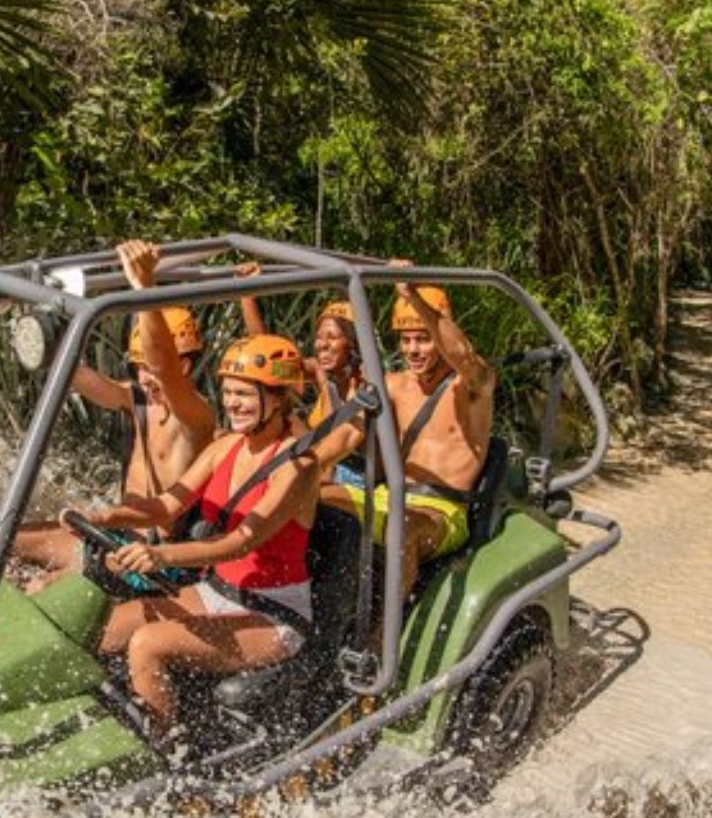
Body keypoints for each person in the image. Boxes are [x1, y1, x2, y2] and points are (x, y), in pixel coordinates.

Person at [76, 334, 320, 737]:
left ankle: (161, 754)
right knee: (102, 628)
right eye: (227, 393)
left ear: (277, 398)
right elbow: (167, 506)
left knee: (146, 644)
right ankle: (105, 727)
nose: (232, 404)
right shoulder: (224, 446)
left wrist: (162, 557)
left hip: (272, 612)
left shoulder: (297, 465)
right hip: (218, 592)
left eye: (244, 394)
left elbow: (240, 541)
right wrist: (110, 516)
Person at [11, 240, 216, 583]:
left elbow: (162, 364)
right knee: (5, 542)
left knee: (42, 586)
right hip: (119, 537)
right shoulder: (134, 398)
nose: (146, 377)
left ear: (186, 364)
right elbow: (77, 376)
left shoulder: (196, 416)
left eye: (151, 367)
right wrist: (43, 336)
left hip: (155, 558)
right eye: (138, 367)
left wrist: (144, 288)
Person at [330, 272, 497, 596]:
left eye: (423, 338)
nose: (413, 349)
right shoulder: (392, 384)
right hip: (386, 497)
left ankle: (384, 638)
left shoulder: (473, 387)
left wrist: (414, 297)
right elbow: (346, 434)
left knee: (401, 529)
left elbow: (464, 357)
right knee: (314, 499)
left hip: (441, 511)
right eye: (405, 340)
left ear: (441, 334)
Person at [240, 275, 367, 499]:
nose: (321, 344)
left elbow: (345, 440)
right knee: (288, 418)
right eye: (319, 337)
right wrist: (246, 295)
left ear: (353, 344)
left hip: (358, 478)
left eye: (332, 337)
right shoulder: (320, 372)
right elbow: (267, 358)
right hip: (321, 467)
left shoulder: (369, 382)